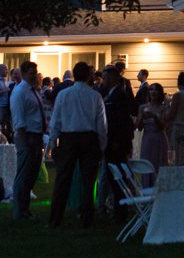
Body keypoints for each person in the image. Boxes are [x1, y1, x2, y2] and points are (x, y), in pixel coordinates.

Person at [46, 61, 106, 228]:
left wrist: (53, 142)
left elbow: (55, 120)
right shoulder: (95, 96)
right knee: (89, 181)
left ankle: (55, 219)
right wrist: (102, 144)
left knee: (62, 179)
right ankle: (87, 218)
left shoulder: (63, 95)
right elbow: (101, 124)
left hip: (68, 138)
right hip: (89, 139)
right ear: (88, 76)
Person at [9, 61, 46, 220]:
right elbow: (18, 119)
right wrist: (25, 140)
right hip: (27, 137)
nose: (34, 76)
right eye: (31, 73)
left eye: (35, 72)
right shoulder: (19, 92)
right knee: (24, 174)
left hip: (36, 136)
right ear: (23, 74)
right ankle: (19, 211)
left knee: (31, 174)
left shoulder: (33, 90)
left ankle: (25, 208)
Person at [100, 65, 136, 220]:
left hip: (116, 143)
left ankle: (120, 211)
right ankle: (117, 208)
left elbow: (121, 121)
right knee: (112, 176)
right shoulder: (110, 94)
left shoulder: (119, 95)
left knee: (117, 177)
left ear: (114, 77)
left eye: (106, 77)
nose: (104, 80)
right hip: (112, 142)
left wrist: (117, 141)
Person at [135, 83, 169, 173]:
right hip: (147, 139)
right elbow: (138, 127)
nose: (153, 92)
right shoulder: (142, 107)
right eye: (151, 90)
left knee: (160, 164)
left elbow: (163, 127)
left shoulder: (164, 108)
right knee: (147, 164)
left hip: (159, 139)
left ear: (160, 93)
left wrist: (154, 116)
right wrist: (141, 116)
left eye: (156, 90)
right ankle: (147, 185)